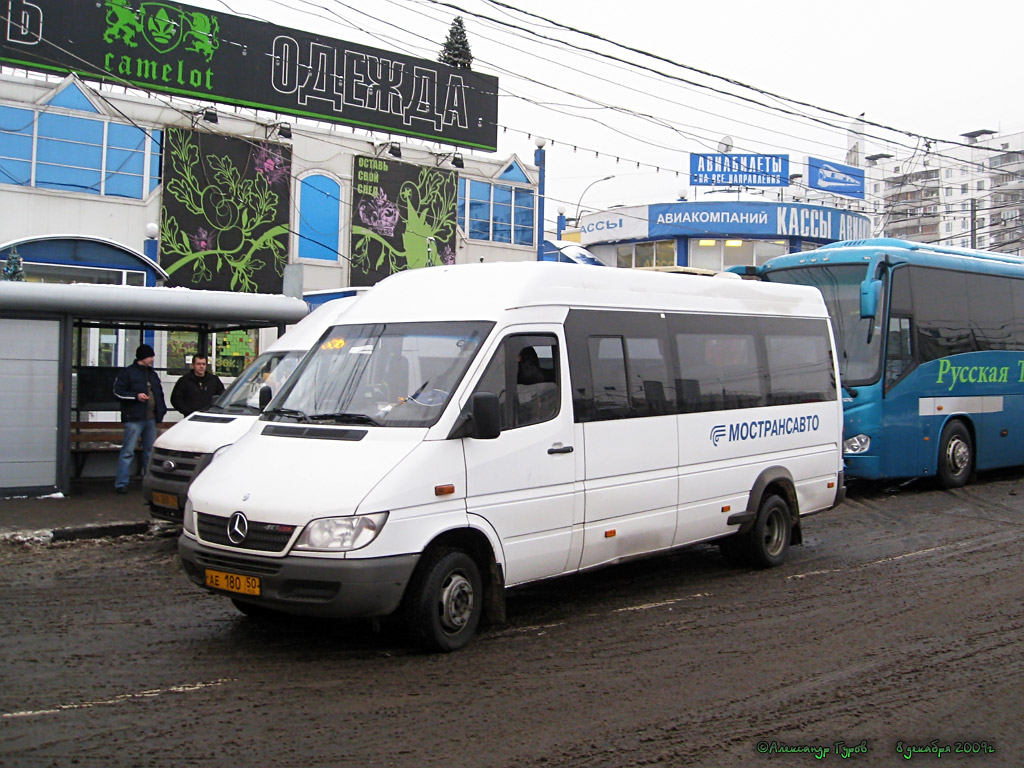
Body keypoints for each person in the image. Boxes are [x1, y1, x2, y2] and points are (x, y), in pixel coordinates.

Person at [112, 343, 167, 494]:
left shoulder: (152, 374)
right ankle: (121, 483)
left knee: (149, 452)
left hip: (150, 418)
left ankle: (148, 481)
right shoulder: (127, 373)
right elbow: (117, 392)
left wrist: (160, 412)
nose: (153, 359)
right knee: (128, 451)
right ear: (143, 357)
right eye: (150, 356)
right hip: (134, 418)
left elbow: (159, 394)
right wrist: (135, 396)